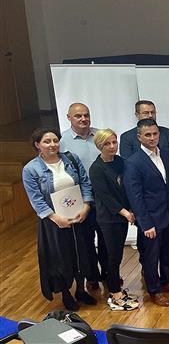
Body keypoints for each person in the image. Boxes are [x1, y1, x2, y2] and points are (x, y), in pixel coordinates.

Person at [22, 127, 97, 311]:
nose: (52, 145)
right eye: (47, 141)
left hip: (78, 215)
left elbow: (85, 182)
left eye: (55, 140)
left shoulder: (71, 159)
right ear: (37, 145)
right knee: (61, 258)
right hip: (53, 221)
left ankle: (81, 290)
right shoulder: (31, 169)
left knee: (81, 253)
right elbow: (36, 199)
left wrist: (86, 206)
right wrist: (55, 217)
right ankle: (66, 293)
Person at [124, 118, 169, 307]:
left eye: (155, 134)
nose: (152, 138)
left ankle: (167, 281)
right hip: (150, 219)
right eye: (147, 135)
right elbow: (135, 196)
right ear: (139, 137)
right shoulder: (133, 162)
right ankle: (154, 290)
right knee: (150, 257)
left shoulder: (166, 154)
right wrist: (145, 223)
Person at [118, 100, 169, 267]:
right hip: (148, 202)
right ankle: (148, 273)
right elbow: (129, 170)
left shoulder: (166, 133)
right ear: (137, 115)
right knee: (149, 250)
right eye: (145, 113)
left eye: (152, 112)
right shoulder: (127, 137)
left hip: (168, 200)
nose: (150, 115)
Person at [89, 129, 139, 310]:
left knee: (116, 254)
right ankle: (115, 293)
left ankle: (115, 287)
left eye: (114, 142)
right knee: (113, 256)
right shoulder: (96, 168)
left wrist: (131, 208)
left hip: (122, 216)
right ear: (99, 146)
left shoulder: (121, 162)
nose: (112, 146)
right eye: (107, 144)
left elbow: (127, 187)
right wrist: (125, 212)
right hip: (109, 218)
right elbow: (105, 196)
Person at [59, 103, 106, 289]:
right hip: (80, 199)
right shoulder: (62, 141)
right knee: (86, 240)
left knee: (106, 238)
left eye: (86, 115)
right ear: (68, 117)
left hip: (104, 196)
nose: (83, 119)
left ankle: (108, 274)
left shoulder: (101, 136)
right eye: (78, 116)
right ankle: (91, 275)